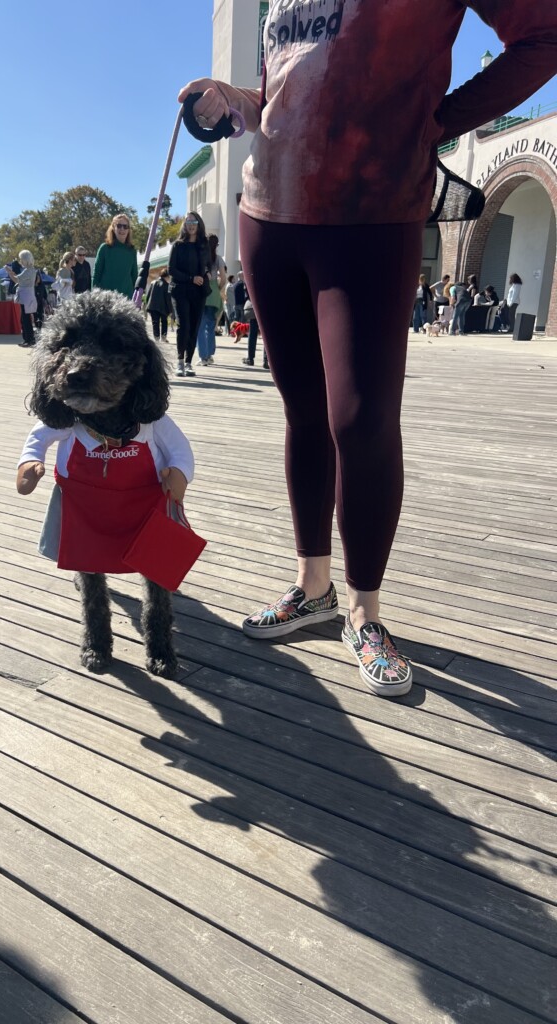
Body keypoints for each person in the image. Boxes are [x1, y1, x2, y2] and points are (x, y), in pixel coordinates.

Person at [179, 3, 557, 697]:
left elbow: (544, 35)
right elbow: (285, 91)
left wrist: (431, 122)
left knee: (362, 418)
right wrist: (237, 100)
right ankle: (313, 586)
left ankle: (365, 610)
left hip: (373, 210)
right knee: (305, 413)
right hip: (268, 214)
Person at [168, 212, 210, 378]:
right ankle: (179, 361)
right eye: (188, 222)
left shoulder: (203, 245)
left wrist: (206, 273)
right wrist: (191, 278)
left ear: (199, 224)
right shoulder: (178, 245)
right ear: (184, 225)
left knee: (194, 327)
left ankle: (188, 362)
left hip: (199, 292)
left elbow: (206, 265)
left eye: (194, 221)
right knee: (184, 325)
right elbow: (172, 270)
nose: (191, 225)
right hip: (181, 289)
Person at [196, 234, 227, 366]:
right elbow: (224, 278)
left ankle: (203, 356)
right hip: (214, 292)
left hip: (202, 291)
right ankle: (209, 355)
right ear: (217, 245)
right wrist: (218, 288)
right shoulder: (218, 259)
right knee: (210, 325)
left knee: (201, 326)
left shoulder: (200, 256)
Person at [92, 214, 137, 298]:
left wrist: (137, 296)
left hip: (127, 299)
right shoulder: (104, 248)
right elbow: (96, 274)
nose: (122, 229)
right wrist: (94, 295)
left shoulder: (132, 251)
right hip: (106, 299)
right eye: (119, 226)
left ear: (128, 230)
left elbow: (134, 276)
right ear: (113, 228)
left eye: (125, 226)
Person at [6, 250, 38, 348]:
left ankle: (28, 339)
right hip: (27, 296)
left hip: (26, 296)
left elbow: (16, 279)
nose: (20, 261)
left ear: (25, 260)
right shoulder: (31, 270)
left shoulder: (28, 270)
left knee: (25, 319)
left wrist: (9, 272)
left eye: (21, 259)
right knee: (25, 318)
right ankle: (28, 339)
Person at [146, 269, 174, 342]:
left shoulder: (152, 283)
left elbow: (148, 295)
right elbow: (168, 299)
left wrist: (147, 305)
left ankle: (156, 338)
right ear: (167, 276)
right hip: (163, 307)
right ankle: (163, 337)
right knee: (164, 322)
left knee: (155, 322)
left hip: (152, 306)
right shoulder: (167, 285)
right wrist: (171, 310)